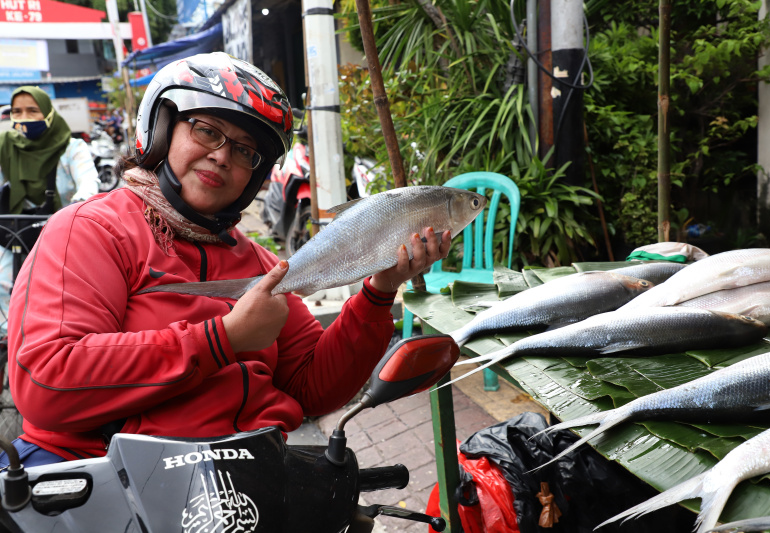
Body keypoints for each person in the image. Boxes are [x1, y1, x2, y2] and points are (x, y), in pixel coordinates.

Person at [3, 52, 451, 467]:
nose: (221, 156)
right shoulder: (91, 230)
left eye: (243, 151)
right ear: (161, 131)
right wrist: (222, 339)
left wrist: (379, 290)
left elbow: (312, 390)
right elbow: (45, 381)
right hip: (113, 482)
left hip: (247, 483)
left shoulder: (258, 263)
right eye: (206, 130)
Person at [0, 86, 100, 332]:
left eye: (32, 111)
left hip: (64, 231)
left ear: (47, 112)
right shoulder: (6, 146)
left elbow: (89, 181)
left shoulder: (72, 148)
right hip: (15, 228)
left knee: (67, 290)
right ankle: (8, 337)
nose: (24, 118)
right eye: (17, 111)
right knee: (3, 283)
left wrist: (80, 202)